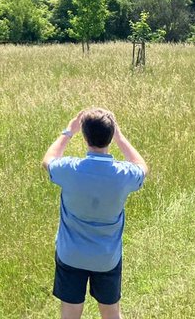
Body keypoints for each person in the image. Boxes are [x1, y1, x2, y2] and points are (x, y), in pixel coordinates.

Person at [42, 107, 148, 319]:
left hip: (70, 255)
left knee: (70, 314)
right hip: (107, 257)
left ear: (84, 136)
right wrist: (120, 137)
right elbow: (142, 166)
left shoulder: (69, 169)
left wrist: (68, 132)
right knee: (111, 313)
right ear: (110, 135)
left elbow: (48, 160)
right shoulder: (123, 174)